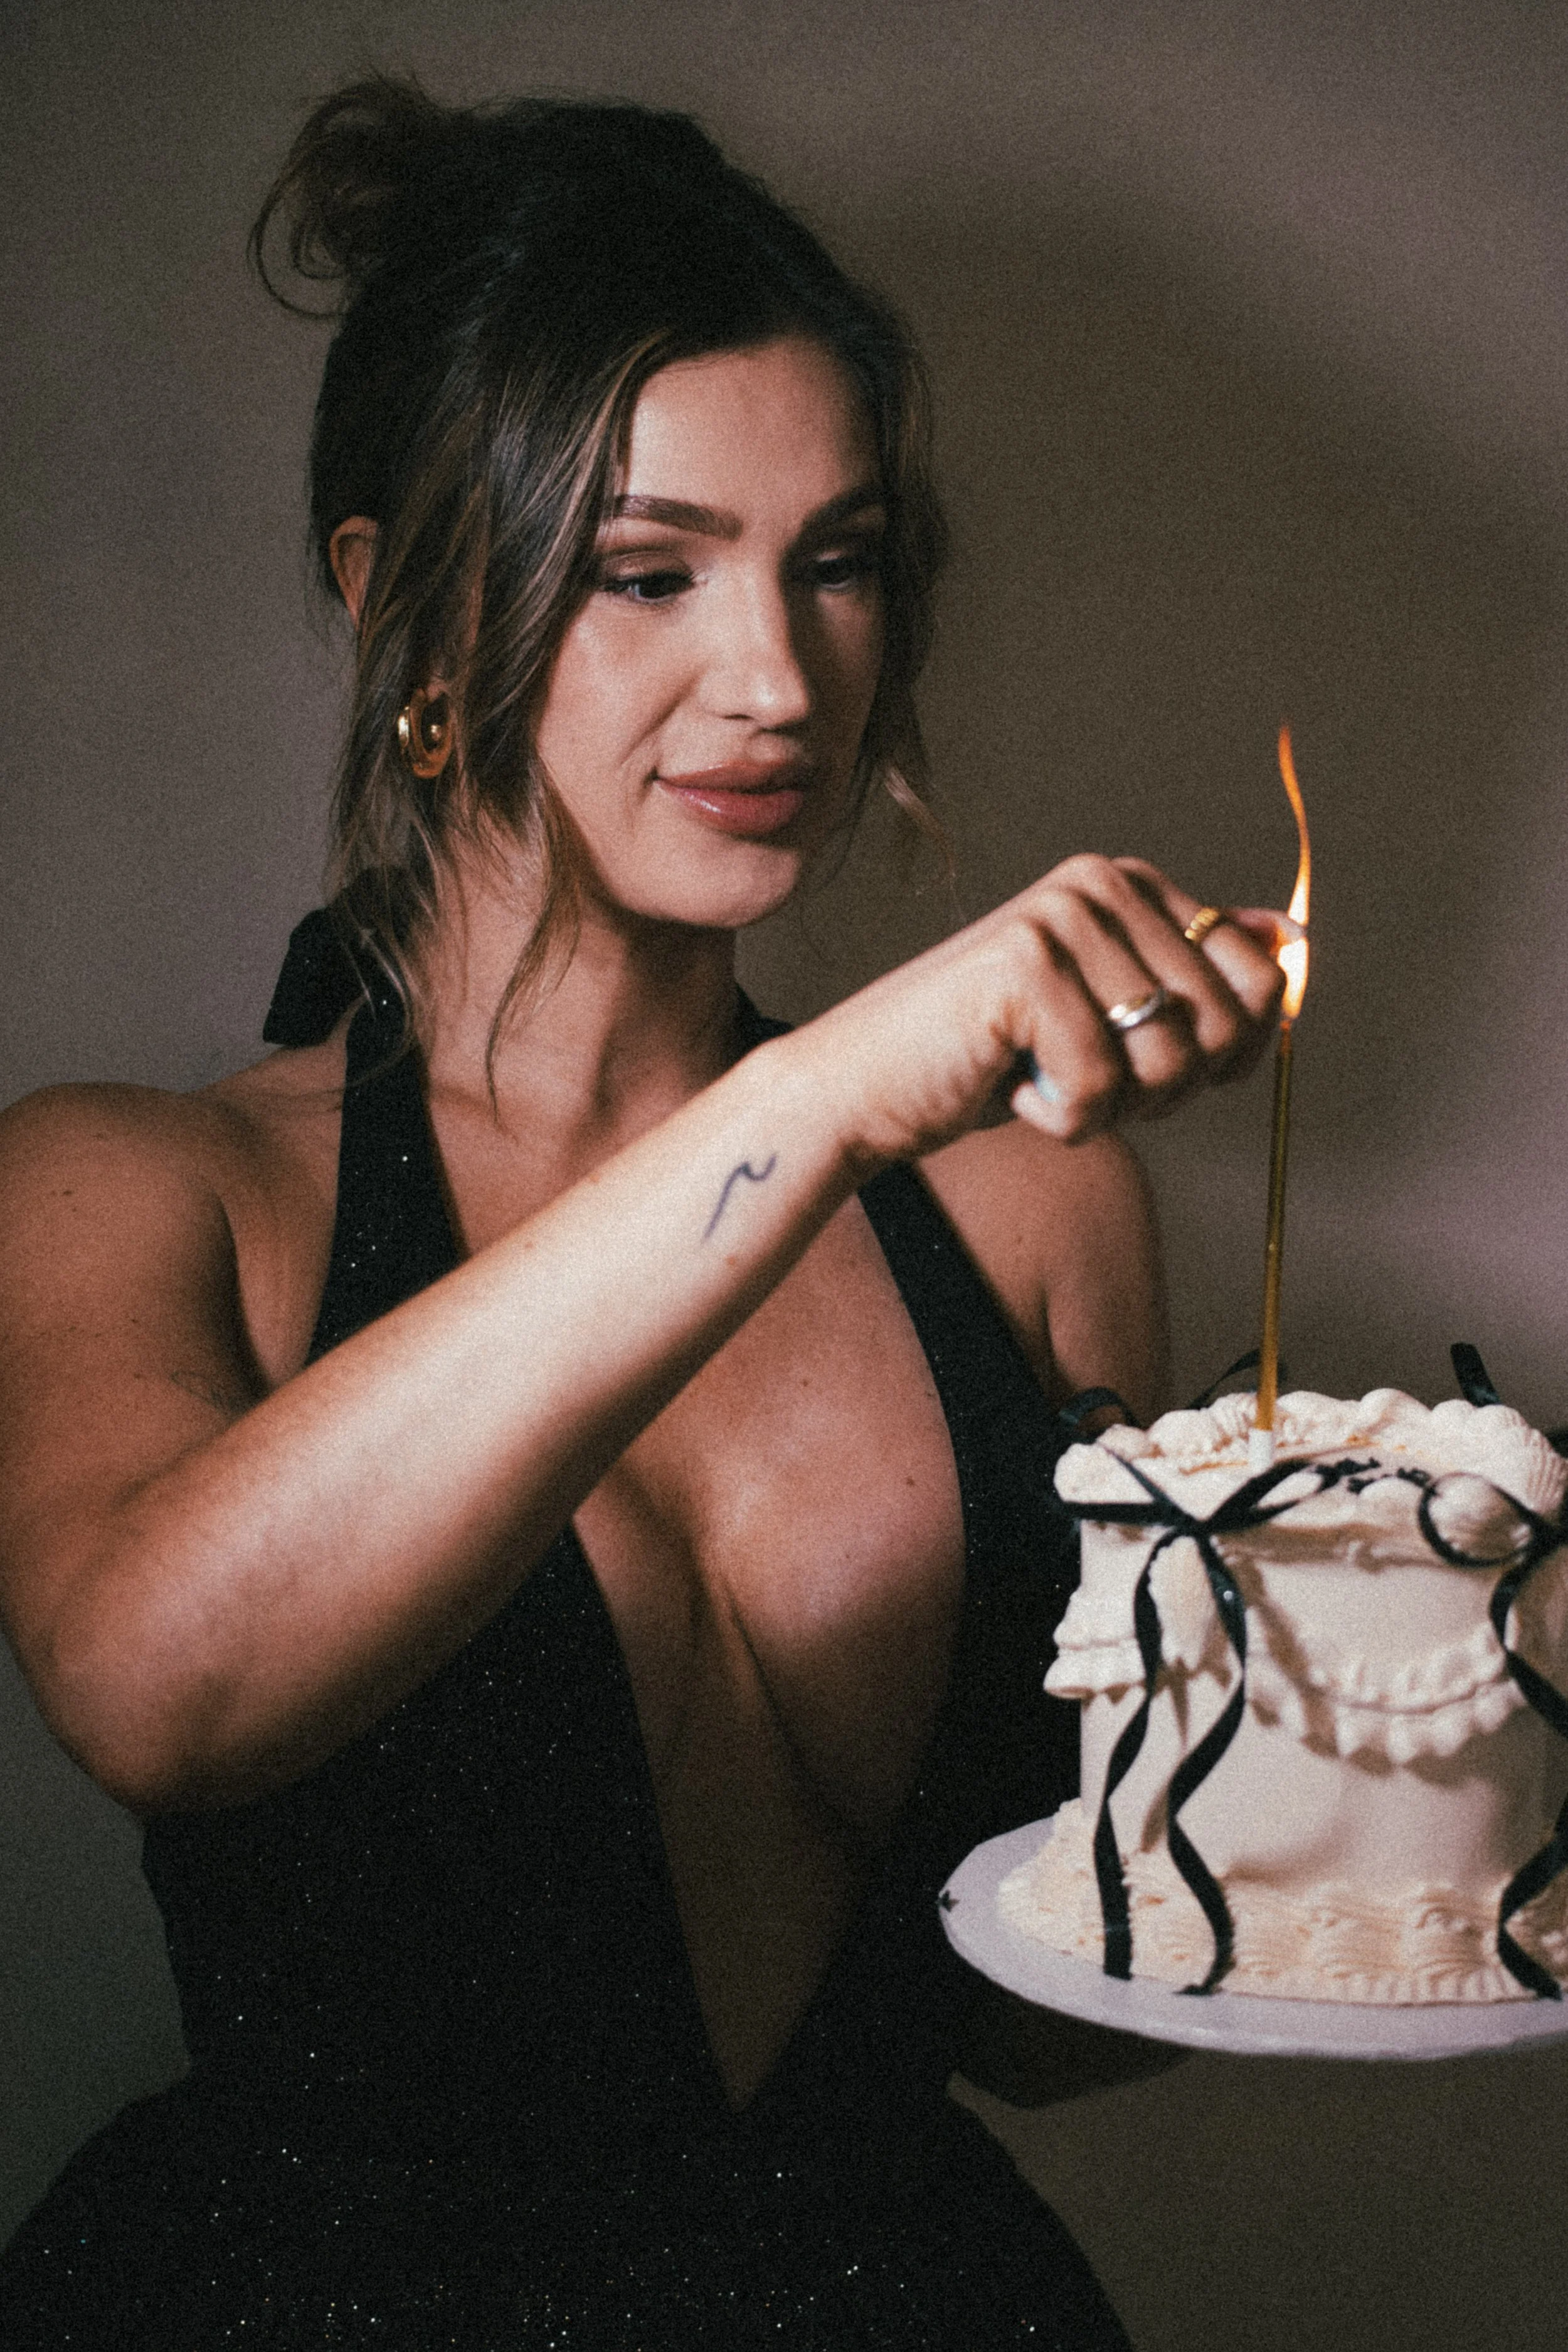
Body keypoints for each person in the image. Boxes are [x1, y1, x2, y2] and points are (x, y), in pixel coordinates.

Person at [0, 78, 1285, 2350]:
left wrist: (1367, 1765)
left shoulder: (1034, 1206)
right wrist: (834, 1081)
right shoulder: (133, 1189)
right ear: (397, 607)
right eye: (645, 571)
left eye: (840, 558)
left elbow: (1059, 2024)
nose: (779, 679)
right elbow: (153, 1680)